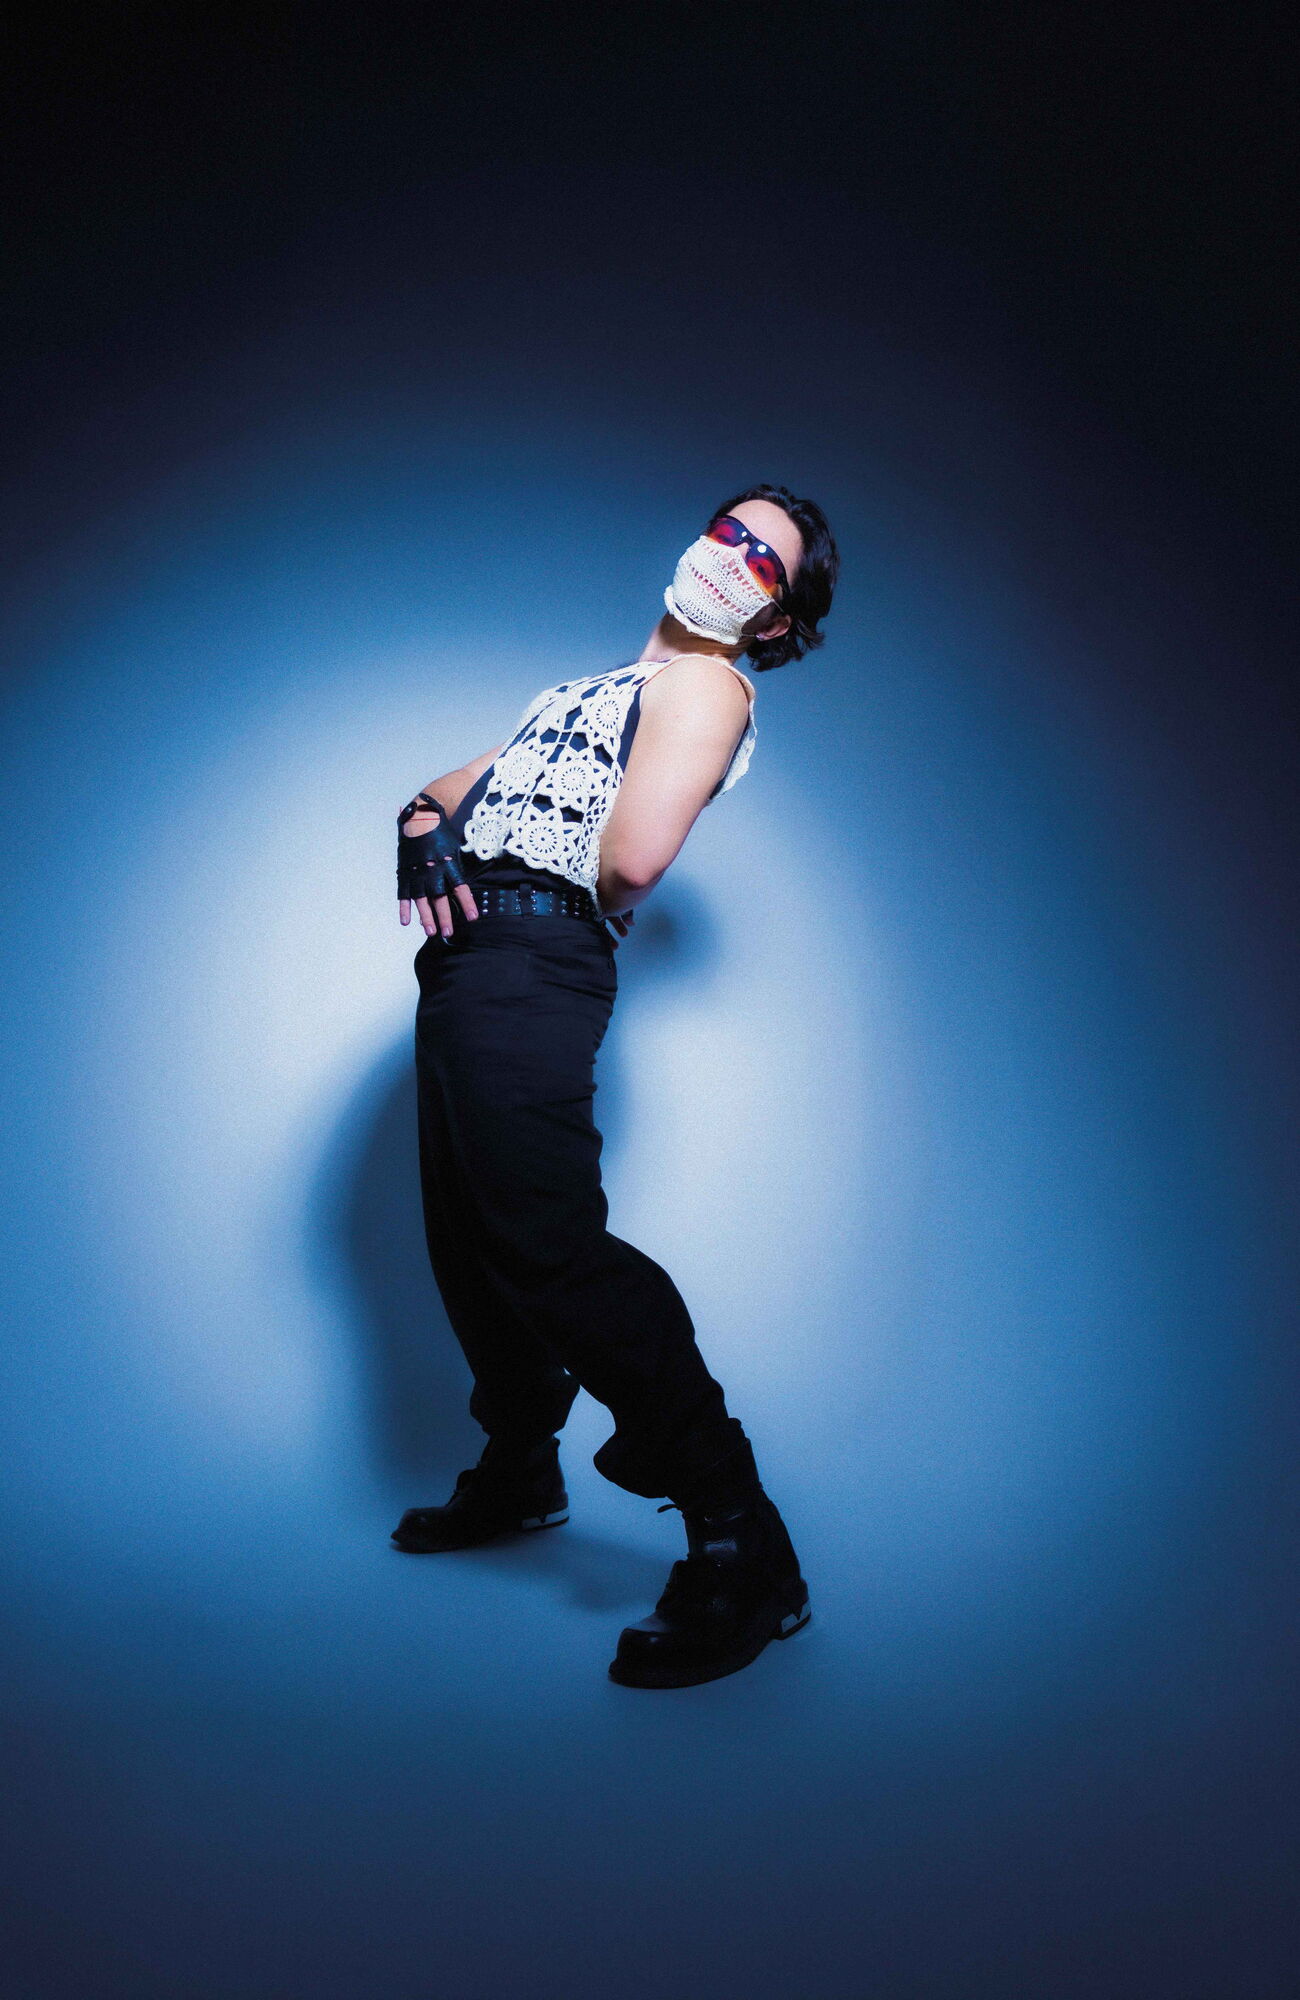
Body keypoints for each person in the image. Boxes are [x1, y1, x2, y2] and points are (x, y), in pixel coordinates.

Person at [389, 483, 839, 1689]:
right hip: (469, 961)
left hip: (535, 960)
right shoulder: (586, 691)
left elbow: (631, 859)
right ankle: (520, 1467)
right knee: (467, 1237)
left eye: (763, 560)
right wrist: (423, 825)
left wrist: (477, 833)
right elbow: (442, 791)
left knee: (548, 1245)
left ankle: (742, 1536)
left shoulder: (707, 686)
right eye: (728, 530)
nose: (729, 556)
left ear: (775, 619)